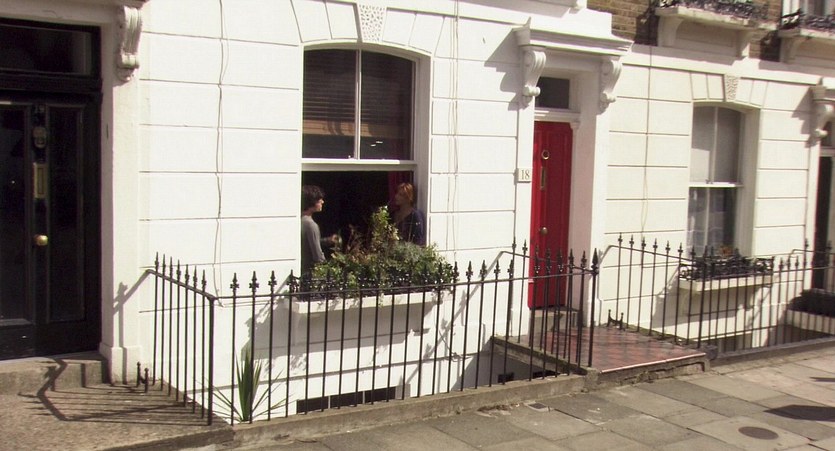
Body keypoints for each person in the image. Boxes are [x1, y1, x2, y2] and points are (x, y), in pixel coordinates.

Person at [300, 185, 337, 276]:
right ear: (311, 202)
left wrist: (326, 241)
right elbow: (317, 255)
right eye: (319, 199)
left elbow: (306, 243)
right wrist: (327, 270)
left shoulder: (299, 219)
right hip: (308, 273)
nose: (322, 202)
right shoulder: (311, 225)